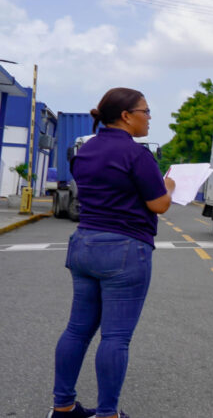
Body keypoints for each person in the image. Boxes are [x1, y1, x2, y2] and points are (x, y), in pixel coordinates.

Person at [49, 88, 175, 418]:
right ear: (126, 116)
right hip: (124, 248)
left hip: (84, 243)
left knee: (76, 329)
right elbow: (158, 203)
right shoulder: (136, 155)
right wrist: (170, 187)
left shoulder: (85, 152)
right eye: (145, 111)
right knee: (116, 337)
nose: (149, 118)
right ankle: (107, 413)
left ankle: (62, 407)